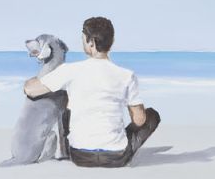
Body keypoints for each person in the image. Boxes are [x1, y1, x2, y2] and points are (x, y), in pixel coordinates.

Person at [22, 16, 160, 168]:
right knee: (152, 115)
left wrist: (43, 76)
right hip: (116, 157)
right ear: (111, 41)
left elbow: (30, 90)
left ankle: (69, 149)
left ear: (91, 42)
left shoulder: (70, 70)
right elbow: (139, 120)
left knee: (66, 100)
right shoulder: (127, 75)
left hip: (80, 156)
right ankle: (115, 142)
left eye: (83, 39)